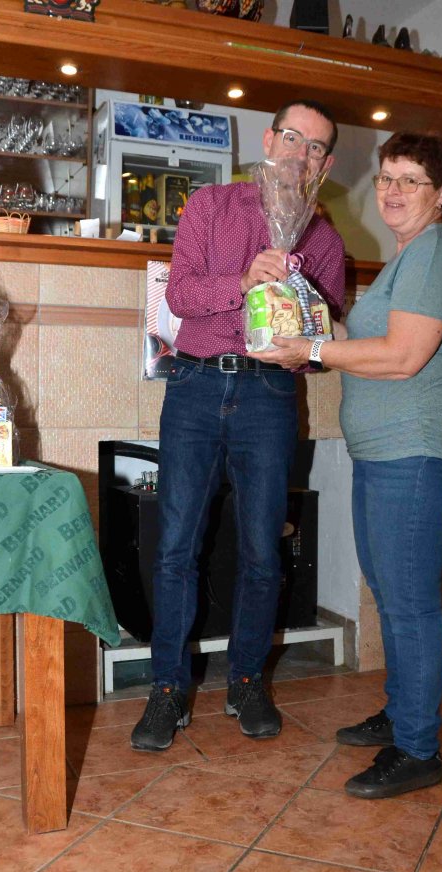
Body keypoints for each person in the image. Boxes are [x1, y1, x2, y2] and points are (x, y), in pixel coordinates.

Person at [249, 132, 442, 798]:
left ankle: (417, 749)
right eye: (385, 177)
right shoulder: (407, 258)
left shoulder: (435, 250)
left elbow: (403, 356)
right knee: (390, 591)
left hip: (419, 445)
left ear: (441, 193)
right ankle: (403, 711)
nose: (393, 190)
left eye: (411, 179)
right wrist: (299, 310)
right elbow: (359, 339)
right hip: (389, 449)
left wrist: (310, 349)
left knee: (408, 602)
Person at [131, 100, 346, 752]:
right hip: (195, 387)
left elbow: (322, 344)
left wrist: (301, 341)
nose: (300, 153)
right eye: (292, 137)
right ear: (269, 140)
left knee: (261, 550)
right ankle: (167, 688)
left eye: (315, 147)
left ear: (325, 164)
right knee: (175, 547)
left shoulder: (324, 240)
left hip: (269, 395)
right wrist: (244, 281)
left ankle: (248, 680)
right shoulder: (211, 205)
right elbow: (180, 296)